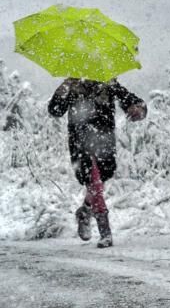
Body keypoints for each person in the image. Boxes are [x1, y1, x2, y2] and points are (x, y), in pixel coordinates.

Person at [48, 77, 147, 248]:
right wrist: (62, 91)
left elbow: (130, 101)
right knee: (94, 182)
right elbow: (55, 110)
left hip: (104, 142)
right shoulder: (72, 85)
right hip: (80, 144)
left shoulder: (108, 84)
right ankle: (105, 232)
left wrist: (138, 109)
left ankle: (85, 211)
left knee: (99, 181)